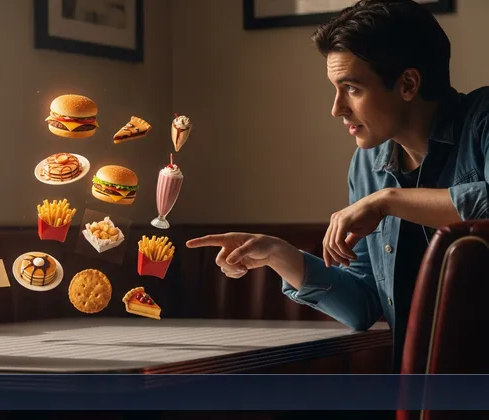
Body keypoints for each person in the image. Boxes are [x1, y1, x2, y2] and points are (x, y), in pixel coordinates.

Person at [187, 0, 488, 372]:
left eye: (352, 89)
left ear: (408, 84)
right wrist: (281, 256)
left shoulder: (482, 122)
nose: (336, 108)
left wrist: (387, 201)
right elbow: (361, 306)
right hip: (422, 386)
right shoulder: (368, 165)